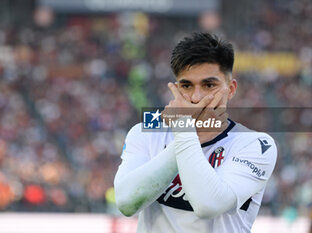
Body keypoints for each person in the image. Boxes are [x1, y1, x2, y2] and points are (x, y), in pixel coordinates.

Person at [114, 32, 277, 233]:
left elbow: (208, 205)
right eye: (186, 86)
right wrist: (188, 131)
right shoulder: (146, 132)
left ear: (231, 89)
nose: (196, 97)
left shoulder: (255, 144)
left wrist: (185, 131)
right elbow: (126, 203)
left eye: (209, 85)